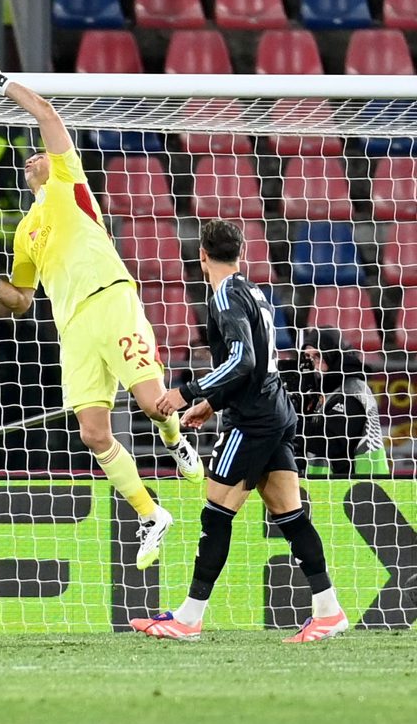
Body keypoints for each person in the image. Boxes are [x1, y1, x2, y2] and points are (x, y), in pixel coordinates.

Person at [0, 53, 204, 572]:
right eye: (27, 160)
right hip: (72, 329)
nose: (32, 159)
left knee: (154, 404)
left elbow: (46, 113)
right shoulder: (25, 232)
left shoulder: (70, 181)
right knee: (93, 433)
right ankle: (151, 513)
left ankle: (176, 441)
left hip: (111, 300)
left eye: (38, 155)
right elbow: (22, 301)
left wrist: (1, 82)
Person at [130, 219, 348, 642]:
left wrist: (186, 393)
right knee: (290, 514)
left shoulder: (225, 296)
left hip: (251, 420)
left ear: (202, 256)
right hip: (275, 409)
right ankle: (329, 610)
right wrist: (212, 403)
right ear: (241, 254)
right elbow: (259, 361)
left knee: (215, 513)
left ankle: (189, 618)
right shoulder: (254, 291)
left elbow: (243, 360)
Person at [296, 326, 389, 478]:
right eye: (307, 357)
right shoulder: (320, 392)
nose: (312, 363)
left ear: (333, 354)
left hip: (363, 485)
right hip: (328, 485)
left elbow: (332, 443)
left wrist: (289, 423)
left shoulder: (353, 391)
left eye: (318, 356)